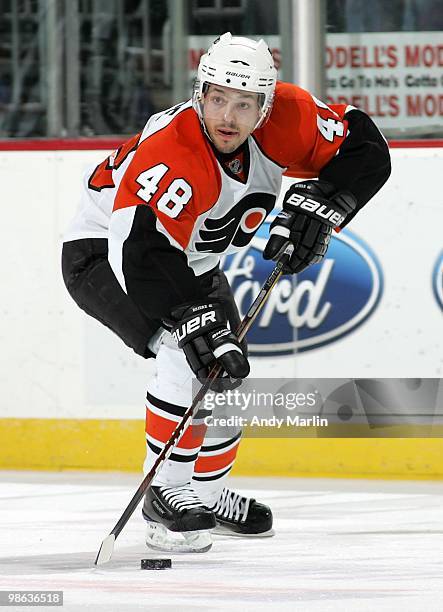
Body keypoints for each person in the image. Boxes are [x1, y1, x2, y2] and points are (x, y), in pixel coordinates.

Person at [62, 32, 391, 552]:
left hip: (190, 259)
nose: (228, 117)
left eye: (244, 104)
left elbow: (366, 149)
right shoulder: (173, 152)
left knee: (227, 365)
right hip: (108, 253)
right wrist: (190, 318)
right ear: (200, 93)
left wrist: (326, 202)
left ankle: (208, 495)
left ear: (265, 105)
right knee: (183, 347)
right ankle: (166, 493)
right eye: (216, 98)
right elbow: (140, 252)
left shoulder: (291, 115)